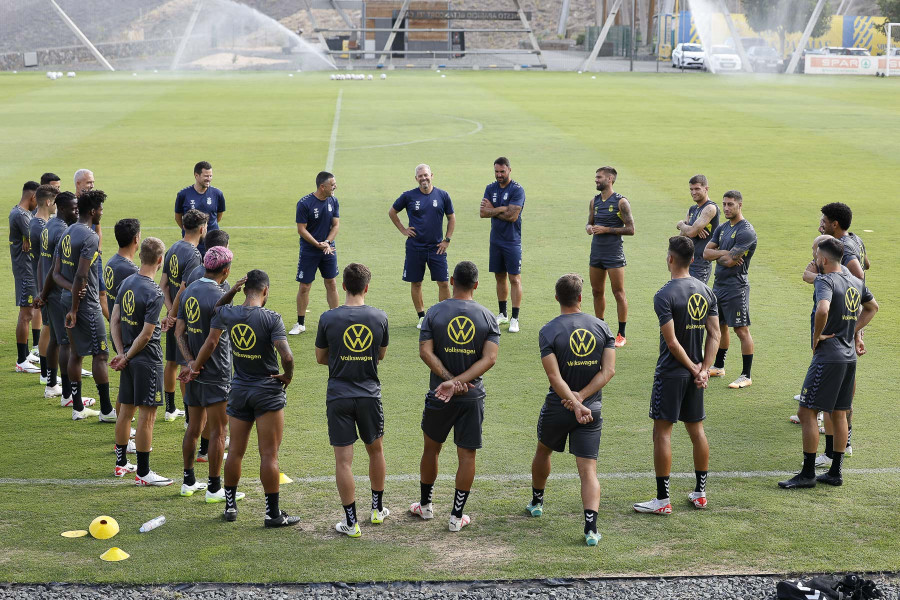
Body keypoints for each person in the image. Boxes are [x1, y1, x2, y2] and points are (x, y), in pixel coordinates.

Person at [185, 270, 298, 527]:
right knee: (269, 455)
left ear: (245, 289)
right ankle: (273, 514)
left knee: (235, 451)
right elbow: (287, 356)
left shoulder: (229, 313)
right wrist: (287, 377)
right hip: (267, 392)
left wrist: (231, 291)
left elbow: (216, 308)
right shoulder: (272, 318)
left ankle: (230, 507)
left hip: (238, 391)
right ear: (265, 291)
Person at [778, 237, 877, 489]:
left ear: (822, 259)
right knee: (840, 412)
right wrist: (851, 330)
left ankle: (808, 473)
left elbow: (823, 309)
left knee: (806, 411)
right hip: (848, 356)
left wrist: (816, 337)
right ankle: (835, 472)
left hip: (829, 355)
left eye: (815, 255)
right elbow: (872, 307)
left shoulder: (825, 280)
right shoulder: (856, 281)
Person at [633, 236, 720, 515]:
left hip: (672, 373)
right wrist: (704, 369)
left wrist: (695, 369)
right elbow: (715, 334)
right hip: (697, 375)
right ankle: (700, 493)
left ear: (670, 258)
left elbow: (672, 342)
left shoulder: (664, 295)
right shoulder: (707, 291)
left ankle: (662, 500)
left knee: (662, 433)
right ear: (693, 260)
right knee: (696, 431)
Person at [410, 261, 499, 532]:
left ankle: (425, 507)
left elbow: (425, 351)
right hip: (472, 398)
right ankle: (456, 517)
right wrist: (461, 382)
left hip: (439, 394)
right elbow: (490, 358)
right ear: (476, 284)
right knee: (467, 456)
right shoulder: (487, 316)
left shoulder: (434, 312)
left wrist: (448, 381)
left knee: (431, 449)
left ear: (451, 280)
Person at [527, 273, 615, 546]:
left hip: (558, 407)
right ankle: (591, 529)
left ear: (557, 298)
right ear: (580, 297)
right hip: (591, 410)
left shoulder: (548, 331)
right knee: (588, 470)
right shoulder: (602, 328)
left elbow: (554, 378)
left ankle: (537, 502)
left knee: (544, 451)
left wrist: (573, 402)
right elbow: (608, 370)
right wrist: (583, 400)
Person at [315, 263, 390, 537]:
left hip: (338, 395)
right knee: (376, 451)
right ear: (366, 287)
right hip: (369, 395)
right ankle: (377, 510)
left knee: (343, 462)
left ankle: (351, 522)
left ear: (344, 286)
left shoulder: (328, 318)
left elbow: (320, 357)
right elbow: (379, 355)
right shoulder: (379, 317)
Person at [109, 237, 173, 486]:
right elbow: (146, 334)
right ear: (160, 260)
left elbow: (114, 320)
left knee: (125, 412)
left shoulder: (126, 282)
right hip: (146, 360)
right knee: (147, 418)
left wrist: (121, 352)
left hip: (128, 357)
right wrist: (127, 355)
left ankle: (121, 463)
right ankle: (144, 473)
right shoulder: (154, 292)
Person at [176, 246, 237, 502]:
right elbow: (212, 342)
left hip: (195, 372)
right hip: (216, 372)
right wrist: (197, 366)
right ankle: (214, 488)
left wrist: (190, 362)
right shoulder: (220, 295)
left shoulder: (189, 289)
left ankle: (188, 481)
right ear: (226, 270)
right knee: (218, 431)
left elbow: (179, 331)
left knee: (193, 426)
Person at [56, 190, 113, 420]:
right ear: (92, 211)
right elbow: (81, 275)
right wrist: (75, 309)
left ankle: (77, 407)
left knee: (76, 353)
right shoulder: (90, 237)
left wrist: (70, 296)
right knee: (100, 354)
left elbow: (57, 273)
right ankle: (107, 411)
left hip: (66, 299)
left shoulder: (67, 231)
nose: (101, 212)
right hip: (85, 305)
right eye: (100, 209)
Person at [36, 192, 95, 408]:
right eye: (73, 208)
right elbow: (56, 268)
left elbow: (44, 263)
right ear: (62, 209)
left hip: (48, 291)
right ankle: (68, 395)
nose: (76, 211)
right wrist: (71, 288)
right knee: (66, 344)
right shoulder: (62, 230)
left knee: (55, 339)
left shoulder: (48, 226)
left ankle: (52, 385)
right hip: (57, 292)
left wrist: (42, 293)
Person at [388, 164, 456, 329]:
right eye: (420, 176)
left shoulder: (443, 195)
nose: (423, 178)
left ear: (431, 175)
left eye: (426, 175)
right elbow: (392, 212)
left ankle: (444, 317)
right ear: (416, 178)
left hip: (437, 248)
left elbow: (451, 218)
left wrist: (447, 239)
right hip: (415, 248)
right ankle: (421, 317)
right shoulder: (409, 196)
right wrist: (403, 229)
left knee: (444, 283)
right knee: (416, 283)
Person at [703, 191, 757, 389]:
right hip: (719, 285)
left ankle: (746, 374)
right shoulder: (723, 228)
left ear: (740, 205)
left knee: (741, 330)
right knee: (721, 326)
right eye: (724, 204)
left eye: (730, 204)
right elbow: (705, 253)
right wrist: (726, 253)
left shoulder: (746, 231)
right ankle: (719, 366)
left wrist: (723, 256)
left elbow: (726, 260)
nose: (726, 208)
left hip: (736, 286)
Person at [160, 209, 207, 421]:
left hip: (172, 315)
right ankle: (189, 417)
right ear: (202, 228)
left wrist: (169, 312)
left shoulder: (173, 248)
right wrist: (176, 316)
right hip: (184, 318)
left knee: (171, 362)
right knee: (185, 364)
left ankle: (170, 409)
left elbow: (163, 285)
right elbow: (184, 289)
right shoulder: (195, 255)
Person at [586, 166, 634, 348]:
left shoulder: (621, 202)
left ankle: (621, 334)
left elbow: (631, 229)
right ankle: (600, 328)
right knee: (597, 291)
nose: (596, 180)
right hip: (596, 252)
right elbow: (588, 223)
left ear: (610, 179)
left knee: (618, 292)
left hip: (614, 254)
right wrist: (589, 228)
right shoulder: (594, 202)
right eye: (596, 177)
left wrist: (607, 229)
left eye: (599, 177)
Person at [290, 171, 340, 335]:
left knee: (331, 283)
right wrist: (317, 244)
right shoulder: (305, 204)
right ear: (322, 186)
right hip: (309, 251)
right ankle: (300, 323)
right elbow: (301, 229)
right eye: (332, 185)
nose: (335, 187)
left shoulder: (333, 200)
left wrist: (327, 242)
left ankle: (336, 320)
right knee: (305, 287)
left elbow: (336, 225)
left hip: (328, 249)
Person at [479, 157, 525, 332]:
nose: (499, 175)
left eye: (502, 171)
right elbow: (483, 213)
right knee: (499, 277)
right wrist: (503, 208)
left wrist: (494, 209)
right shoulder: (490, 188)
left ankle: (515, 318)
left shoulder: (517, 190)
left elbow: (513, 217)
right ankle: (503, 314)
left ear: (509, 170)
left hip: (512, 241)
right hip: (496, 240)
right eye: (496, 172)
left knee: (514, 278)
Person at [10, 181, 40, 373]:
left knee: (28, 313)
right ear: (32, 197)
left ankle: (26, 354)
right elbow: (37, 236)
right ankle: (21, 360)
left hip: (26, 269)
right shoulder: (21, 215)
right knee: (26, 314)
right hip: (25, 270)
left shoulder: (21, 213)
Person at [29, 185, 58, 383]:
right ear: (48, 202)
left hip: (42, 282)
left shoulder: (37, 223)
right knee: (48, 326)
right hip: (45, 283)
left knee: (49, 326)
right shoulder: (41, 227)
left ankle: (46, 373)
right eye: (55, 201)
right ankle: (46, 374)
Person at [175, 161, 226, 256]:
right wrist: (188, 230)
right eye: (206, 176)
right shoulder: (183, 194)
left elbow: (219, 215)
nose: (209, 179)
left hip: (212, 241)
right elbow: (178, 216)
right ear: (196, 175)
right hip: (192, 242)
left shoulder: (217, 194)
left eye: (210, 176)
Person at [675, 175, 720, 284]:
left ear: (706, 189)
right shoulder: (692, 209)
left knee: (695, 298)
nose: (693, 192)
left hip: (700, 263)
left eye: (697, 189)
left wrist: (681, 224)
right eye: (691, 189)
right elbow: (682, 237)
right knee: (682, 297)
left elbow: (691, 232)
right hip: (686, 261)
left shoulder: (710, 208)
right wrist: (691, 229)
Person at [104, 219, 141, 320]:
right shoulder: (131, 271)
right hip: (127, 332)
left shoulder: (110, 262)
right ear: (136, 239)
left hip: (115, 330)